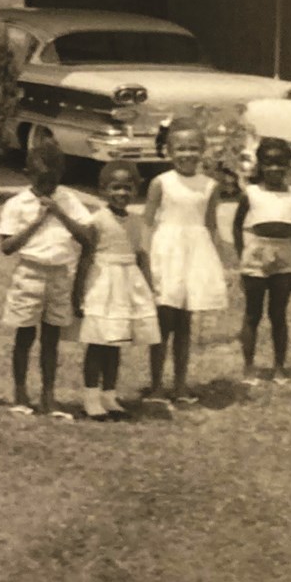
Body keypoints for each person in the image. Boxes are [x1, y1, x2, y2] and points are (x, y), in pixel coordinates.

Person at [0, 137, 91, 419]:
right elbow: (6, 246)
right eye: (42, 180)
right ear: (29, 174)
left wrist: (59, 212)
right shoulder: (18, 204)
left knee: (51, 338)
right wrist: (37, 220)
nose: (48, 187)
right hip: (30, 273)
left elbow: (87, 238)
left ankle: (49, 395)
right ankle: (20, 393)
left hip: (60, 274)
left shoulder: (69, 200)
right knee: (24, 334)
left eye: (53, 180)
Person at [145, 117, 228, 404]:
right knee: (162, 322)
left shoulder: (209, 185)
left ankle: (180, 385)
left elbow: (211, 225)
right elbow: (147, 224)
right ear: (169, 152)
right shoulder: (161, 183)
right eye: (180, 149)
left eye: (193, 148)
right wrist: (145, 260)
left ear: (203, 150)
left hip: (195, 256)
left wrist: (215, 264)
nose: (187, 154)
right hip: (167, 254)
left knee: (184, 324)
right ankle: (156, 385)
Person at [71, 160, 161, 421]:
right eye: (115, 188)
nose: (122, 193)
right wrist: (77, 293)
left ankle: (109, 395)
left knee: (117, 342)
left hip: (127, 286)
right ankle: (91, 397)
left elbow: (141, 256)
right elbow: (85, 258)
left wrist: (150, 290)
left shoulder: (137, 221)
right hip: (102, 284)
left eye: (127, 188)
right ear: (102, 191)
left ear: (135, 191)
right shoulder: (96, 221)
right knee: (98, 343)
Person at [232, 137, 291, 385]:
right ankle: (249, 367)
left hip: (285, 257)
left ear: (289, 166)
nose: (275, 169)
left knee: (279, 314)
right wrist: (243, 254)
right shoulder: (251, 193)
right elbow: (236, 226)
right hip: (256, 255)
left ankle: (279, 366)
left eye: (280, 164)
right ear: (260, 166)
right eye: (269, 163)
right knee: (252, 314)